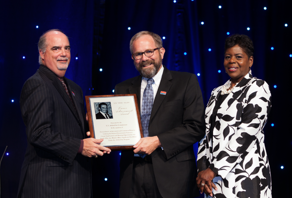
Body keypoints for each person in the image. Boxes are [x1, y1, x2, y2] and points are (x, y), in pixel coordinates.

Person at [18, 29, 111, 198]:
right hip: (48, 184)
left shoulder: (74, 88)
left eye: (67, 48)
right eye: (56, 49)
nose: (63, 53)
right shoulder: (37, 84)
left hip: (74, 182)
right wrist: (81, 146)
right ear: (42, 53)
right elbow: (38, 134)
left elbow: (67, 126)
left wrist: (91, 125)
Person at [115, 31, 205, 198]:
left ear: (161, 52)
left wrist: (158, 141)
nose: (144, 58)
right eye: (138, 54)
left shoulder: (185, 82)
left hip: (173, 176)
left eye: (149, 51)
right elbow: (118, 128)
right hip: (132, 173)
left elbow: (197, 126)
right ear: (132, 58)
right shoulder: (122, 88)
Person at [197, 34, 272, 198]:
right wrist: (202, 169)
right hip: (213, 180)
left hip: (245, 175)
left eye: (239, 57)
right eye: (227, 57)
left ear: (250, 61)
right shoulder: (216, 92)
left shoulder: (258, 87)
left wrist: (213, 169)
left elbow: (246, 133)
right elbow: (206, 134)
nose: (232, 61)